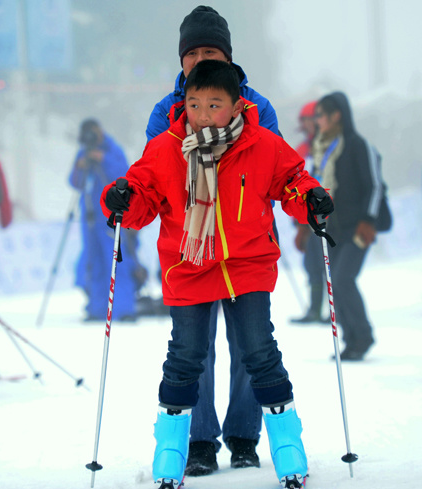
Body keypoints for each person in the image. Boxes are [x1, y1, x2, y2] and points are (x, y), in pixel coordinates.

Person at [102, 59, 333, 489]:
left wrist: (311, 197)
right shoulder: (167, 147)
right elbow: (143, 193)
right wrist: (122, 198)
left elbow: (292, 180)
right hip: (188, 268)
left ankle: (287, 447)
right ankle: (173, 449)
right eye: (193, 104)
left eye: (214, 104)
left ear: (236, 105)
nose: (203, 115)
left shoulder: (261, 143)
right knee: (186, 357)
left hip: (246, 265)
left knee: (259, 351)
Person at [145, 5, 281, 474]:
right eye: (193, 52)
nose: (200, 57)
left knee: (251, 345)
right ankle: (199, 440)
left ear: (227, 56)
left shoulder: (256, 106)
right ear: (181, 59)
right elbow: (152, 173)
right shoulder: (167, 111)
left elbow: (275, 165)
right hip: (191, 246)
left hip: (246, 241)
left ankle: (244, 435)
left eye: (210, 50)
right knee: (194, 347)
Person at [311, 92, 381, 360]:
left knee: (343, 278)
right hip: (333, 230)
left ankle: (362, 335)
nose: (317, 121)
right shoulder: (322, 147)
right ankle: (352, 338)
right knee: (333, 282)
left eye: (321, 115)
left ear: (336, 115)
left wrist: (369, 220)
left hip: (357, 228)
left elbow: (374, 185)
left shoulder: (357, 145)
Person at [69, 119, 140, 322]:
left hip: (110, 214)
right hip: (90, 216)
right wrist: (80, 166)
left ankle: (125, 308)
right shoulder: (83, 153)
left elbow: (125, 176)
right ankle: (97, 308)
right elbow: (74, 182)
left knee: (117, 260)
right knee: (95, 262)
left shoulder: (112, 149)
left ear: (99, 131)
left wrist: (104, 159)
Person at [291, 101, 329, 324]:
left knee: (328, 265)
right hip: (307, 219)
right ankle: (315, 309)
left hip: (329, 217)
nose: (306, 126)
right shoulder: (302, 151)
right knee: (312, 264)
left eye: (309, 121)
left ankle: (335, 311)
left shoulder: (332, 146)